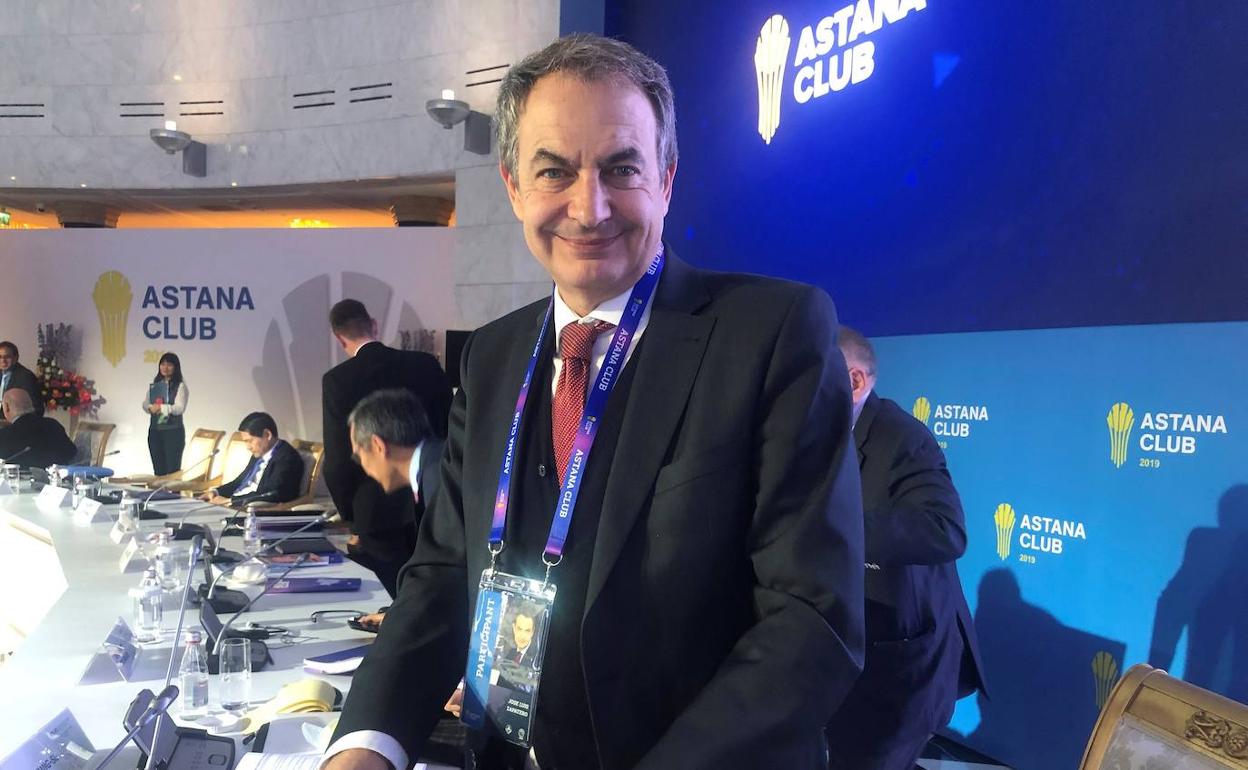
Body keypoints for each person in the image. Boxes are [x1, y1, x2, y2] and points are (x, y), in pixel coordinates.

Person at [324, 34, 864, 770]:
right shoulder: (491, 357)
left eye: (621, 168)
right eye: (555, 171)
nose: (590, 206)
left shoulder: (773, 334)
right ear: (514, 187)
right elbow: (445, 573)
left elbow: (811, 620)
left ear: (666, 180)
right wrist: (366, 743)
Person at [824, 327, 986, 770]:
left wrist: (828, 527)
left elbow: (944, 529)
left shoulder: (903, 438)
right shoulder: (816, 434)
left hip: (898, 667)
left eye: (811, 377)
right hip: (838, 653)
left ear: (855, 382)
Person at [321, 300, 452, 595]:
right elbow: (452, 425)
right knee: (435, 583)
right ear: (374, 325)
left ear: (339, 339)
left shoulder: (337, 381)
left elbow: (338, 461)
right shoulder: (425, 364)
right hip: (439, 493)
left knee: (393, 592)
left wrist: (352, 519)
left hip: (375, 510)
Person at [347, 388, 445, 597]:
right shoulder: (436, 462)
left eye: (358, 456)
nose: (363, 467)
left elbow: (450, 571)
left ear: (378, 445)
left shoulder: (438, 479)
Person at [199, 412, 303, 508]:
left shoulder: (287, 458)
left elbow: (272, 493)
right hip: (237, 504)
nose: (248, 447)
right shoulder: (260, 453)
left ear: (267, 435)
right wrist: (215, 492)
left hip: (253, 509)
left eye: (249, 441)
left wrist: (230, 501)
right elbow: (239, 481)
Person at [0, 389, 75, 466]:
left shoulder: (4, 435)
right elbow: (72, 453)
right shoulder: (53, 425)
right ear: (31, 404)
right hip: (56, 472)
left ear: (6, 407)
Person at [142, 352, 189, 475]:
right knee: (158, 470)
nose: (165, 367)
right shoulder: (156, 385)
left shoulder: (180, 386)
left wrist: (162, 408)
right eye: (162, 364)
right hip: (155, 431)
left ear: (175, 367)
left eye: (169, 365)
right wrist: (150, 408)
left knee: (172, 471)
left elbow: (180, 408)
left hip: (173, 432)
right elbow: (145, 403)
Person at [0, 341, 44, 416]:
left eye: (7, 357)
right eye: (0, 357)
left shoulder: (26, 377)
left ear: (16, 358)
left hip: (16, 421)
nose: (3, 360)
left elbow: (37, 408)